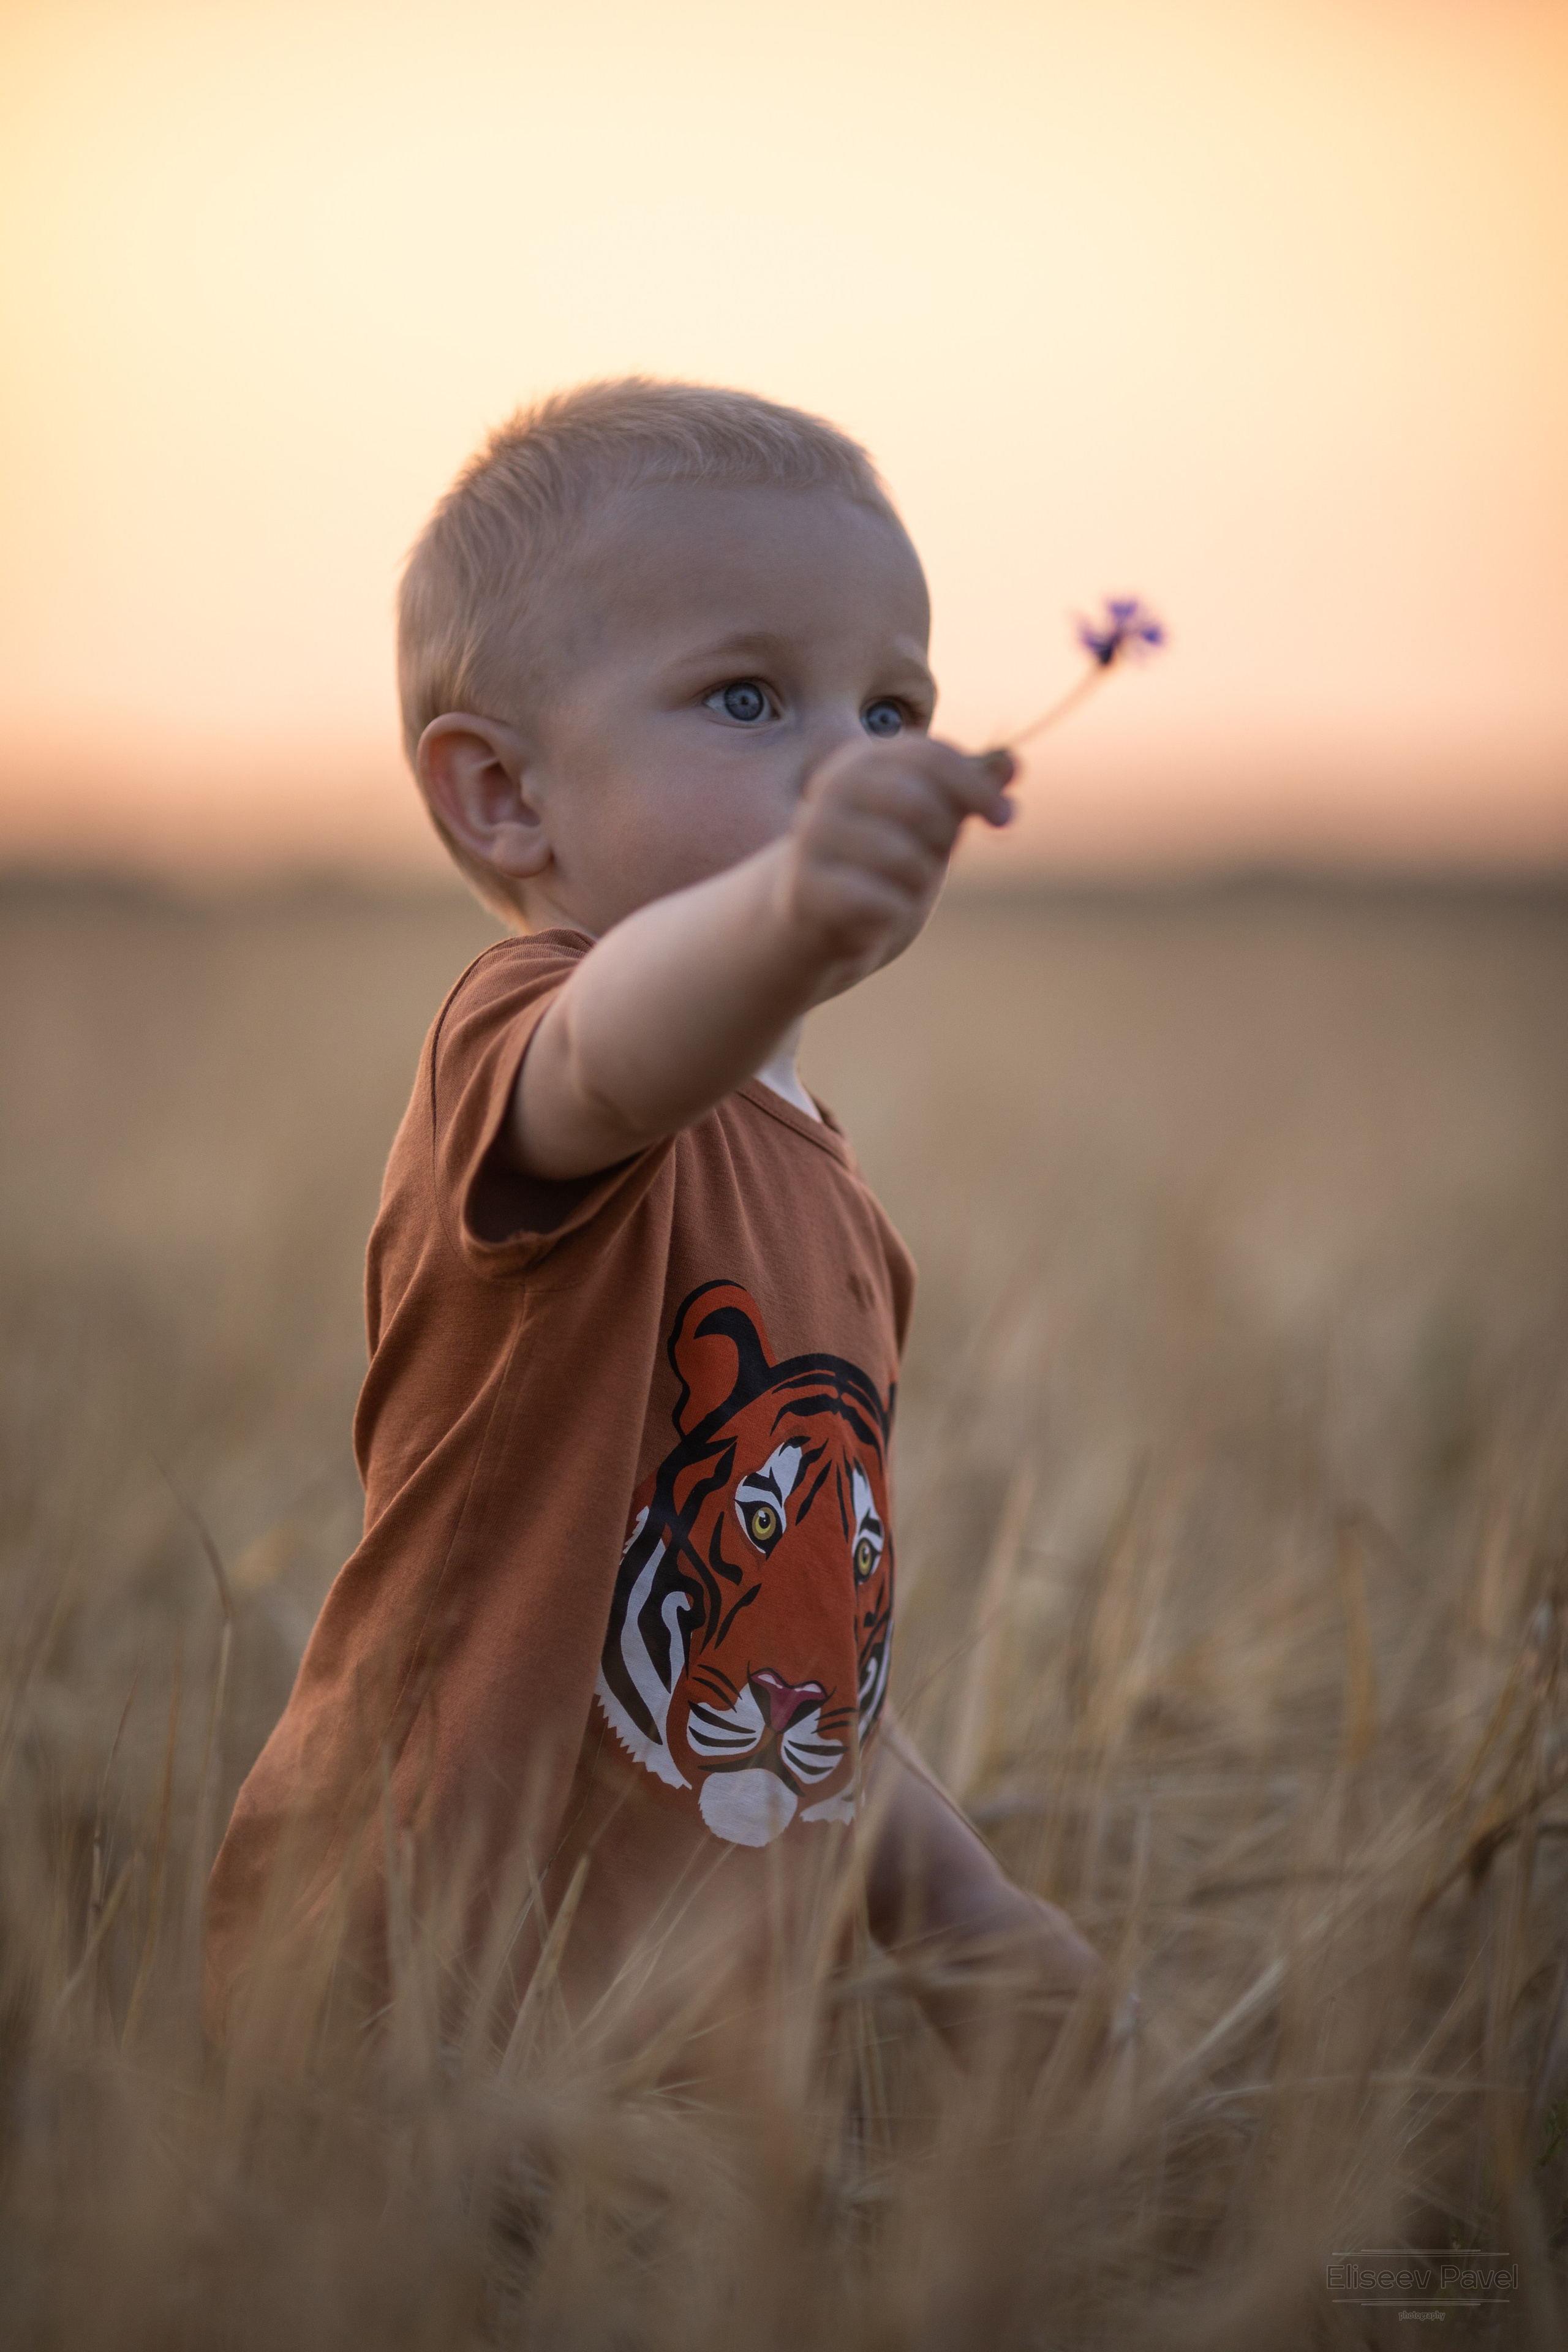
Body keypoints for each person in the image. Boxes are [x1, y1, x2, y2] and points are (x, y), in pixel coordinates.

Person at [206, 380, 1098, 2065]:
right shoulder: (530, 1043)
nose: (849, 761)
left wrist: (956, 1903)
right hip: (415, 2000)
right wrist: (785, 905)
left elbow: (789, 1642)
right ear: (501, 800)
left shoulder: (828, 1191)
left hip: (675, 2058)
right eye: (750, 698)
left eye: (894, 713)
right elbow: (621, 1057)